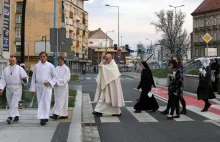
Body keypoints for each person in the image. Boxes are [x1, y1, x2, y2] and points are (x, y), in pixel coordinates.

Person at [30, 51, 58, 125]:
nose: (42, 58)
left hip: (47, 87)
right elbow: (33, 77)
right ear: (39, 57)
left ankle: (45, 117)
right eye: (41, 56)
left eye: (44, 56)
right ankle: (41, 117)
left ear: (46, 57)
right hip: (39, 86)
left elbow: (55, 77)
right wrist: (33, 88)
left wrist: (50, 83)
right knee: (40, 102)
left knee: (46, 101)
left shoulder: (50, 66)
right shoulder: (36, 66)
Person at [0, 56, 28, 124]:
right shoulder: (6, 69)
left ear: (16, 61)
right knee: (10, 102)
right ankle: (16, 115)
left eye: (13, 60)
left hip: (17, 87)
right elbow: (3, 80)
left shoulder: (19, 68)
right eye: (11, 60)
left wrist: (24, 79)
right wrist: (1, 88)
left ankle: (10, 117)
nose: (12, 62)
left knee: (14, 102)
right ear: (9, 61)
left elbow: (25, 77)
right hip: (9, 87)